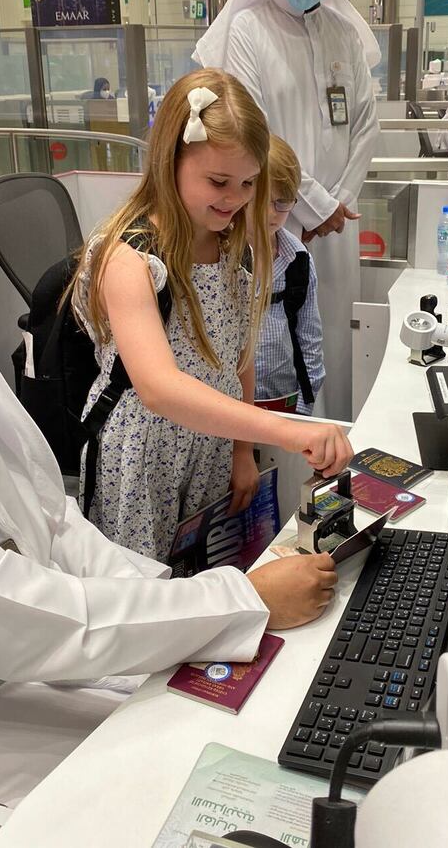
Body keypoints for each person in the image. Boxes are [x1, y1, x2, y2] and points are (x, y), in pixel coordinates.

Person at [0, 87, 340, 848]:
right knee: (172, 774)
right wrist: (237, 602)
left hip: (2, 664)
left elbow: (46, 520)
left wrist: (181, 595)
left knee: (200, 719)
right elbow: (10, 611)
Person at [70, 69, 352, 561]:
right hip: (142, 457)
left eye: (247, 183)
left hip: (209, 446)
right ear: (168, 161)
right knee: (143, 592)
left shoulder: (236, 251)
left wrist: (242, 449)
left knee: (199, 573)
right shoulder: (129, 257)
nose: (235, 198)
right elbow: (160, 388)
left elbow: (238, 360)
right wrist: (287, 431)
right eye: (218, 181)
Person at [195, 0, 381, 421]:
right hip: (271, 221)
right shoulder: (248, 30)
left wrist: (338, 203)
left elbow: (366, 125)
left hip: (336, 227)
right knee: (274, 342)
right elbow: (255, 136)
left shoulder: (344, 32)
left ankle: (336, 449)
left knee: (336, 337)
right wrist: (312, 205)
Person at [253, 135, 325, 415]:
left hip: (283, 400)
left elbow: (310, 337)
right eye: (260, 201)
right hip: (224, 407)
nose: (270, 213)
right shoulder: (217, 257)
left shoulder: (298, 259)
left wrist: (305, 405)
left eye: (282, 203)